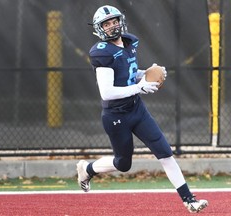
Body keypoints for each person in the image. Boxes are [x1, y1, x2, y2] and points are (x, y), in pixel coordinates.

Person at [76, 5, 208, 213]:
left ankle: (189, 200)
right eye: (107, 24)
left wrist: (146, 72)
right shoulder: (102, 53)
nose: (112, 26)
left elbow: (128, 71)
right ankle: (87, 169)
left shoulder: (129, 42)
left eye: (114, 21)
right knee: (123, 164)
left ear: (121, 20)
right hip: (115, 115)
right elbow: (107, 92)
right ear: (99, 28)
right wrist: (139, 87)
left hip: (136, 109)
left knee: (165, 153)